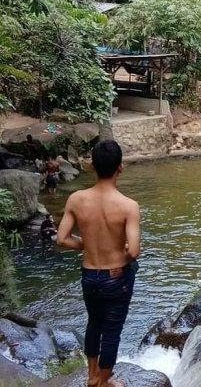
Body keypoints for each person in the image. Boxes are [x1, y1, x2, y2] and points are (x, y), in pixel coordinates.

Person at [57, 140, 140, 387]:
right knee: (112, 331)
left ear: (92, 166)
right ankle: (104, 382)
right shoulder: (128, 206)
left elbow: (61, 239)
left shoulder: (76, 199)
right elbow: (133, 251)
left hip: (89, 275)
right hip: (116, 277)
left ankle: (91, 376)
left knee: (94, 324)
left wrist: (87, 244)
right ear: (120, 168)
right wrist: (121, 250)